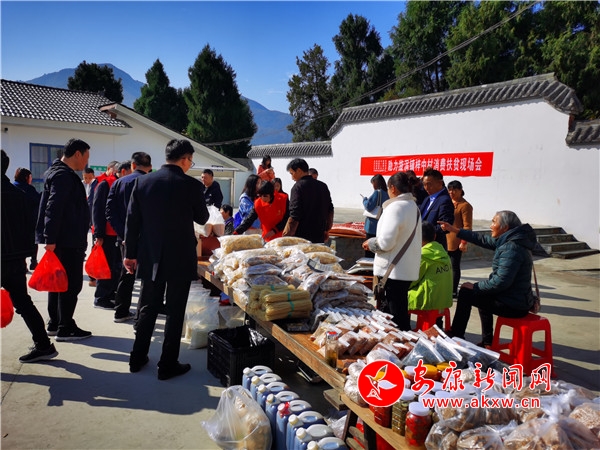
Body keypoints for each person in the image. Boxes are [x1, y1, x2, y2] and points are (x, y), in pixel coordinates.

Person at [124, 139, 209, 379]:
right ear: (185, 159)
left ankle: (137, 357)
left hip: (150, 254)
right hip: (180, 255)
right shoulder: (192, 186)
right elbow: (202, 218)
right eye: (191, 160)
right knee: (175, 309)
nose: (190, 164)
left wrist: (129, 254)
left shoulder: (143, 182)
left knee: (148, 306)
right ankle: (167, 364)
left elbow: (132, 221)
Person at [439, 211, 536, 347]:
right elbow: (482, 239)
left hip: (513, 304)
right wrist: (454, 230)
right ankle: (487, 342)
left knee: (467, 293)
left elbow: (501, 282)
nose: (491, 226)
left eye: (494, 222)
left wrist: (475, 286)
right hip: (514, 298)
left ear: (505, 227)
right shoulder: (510, 240)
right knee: (482, 293)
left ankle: (457, 334)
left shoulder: (511, 248)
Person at [2, 150, 58, 362]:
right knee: (24, 303)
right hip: (15, 259)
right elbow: (31, 226)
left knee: (23, 303)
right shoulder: (20, 195)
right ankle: (43, 344)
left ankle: (43, 345)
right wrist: (26, 254)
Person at [36, 138, 92, 341]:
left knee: (57, 282)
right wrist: (50, 238)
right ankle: (65, 327)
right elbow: (54, 207)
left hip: (63, 239)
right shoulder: (63, 176)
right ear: (77, 154)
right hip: (68, 240)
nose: (86, 162)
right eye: (86, 157)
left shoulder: (55, 172)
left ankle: (55, 322)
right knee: (71, 284)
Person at [362, 172, 421, 330]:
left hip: (393, 270)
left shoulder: (395, 207)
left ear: (393, 188)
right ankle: (401, 340)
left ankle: (400, 342)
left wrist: (370, 243)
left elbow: (386, 242)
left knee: (395, 318)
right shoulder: (413, 206)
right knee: (400, 311)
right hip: (405, 269)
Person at [106, 152, 152, 323]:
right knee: (146, 278)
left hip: (124, 237)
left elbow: (109, 211)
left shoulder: (118, 183)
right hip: (145, 237)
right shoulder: (150, 182)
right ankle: (141, 316)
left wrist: (123, 233)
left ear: (132, 165)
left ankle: (121, 311)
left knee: (126, 275)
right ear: (150, 167)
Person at [91, 161, 131, 310]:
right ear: (123, 171)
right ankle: (101, 297)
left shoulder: (119, 183)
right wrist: (98, 234)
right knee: (106, 266)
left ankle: (110, 294)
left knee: (116, 267)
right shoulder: (105, 184)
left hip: (117, 233)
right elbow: (97, 210)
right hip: (106, 234)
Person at [283, 159, 333, 244]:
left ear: (299, 171)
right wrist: (326, 229)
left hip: (301, 238)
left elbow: (295, 213)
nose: (292, 178)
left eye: (292, 173)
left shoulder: (298, 187)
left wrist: (287, 236)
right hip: (319, 235)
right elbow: (330, 209)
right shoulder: (323, 186)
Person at [408, 221, 453, 314]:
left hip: (428, 301)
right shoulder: (443, 252)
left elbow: (412, 280)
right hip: (445, 300)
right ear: (435, 236)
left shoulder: (423, 255)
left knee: (395, 295)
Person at [446, 180, 473, 297]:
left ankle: (453, 291)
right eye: (450, 190)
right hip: (444, 239)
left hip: (455, 241)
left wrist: (463, 242)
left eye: (454, 190)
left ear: (460, 190)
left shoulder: (465, 206)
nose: (451, 192)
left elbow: (467, 226)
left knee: (454, 266)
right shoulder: (447, 202)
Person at [419, 167, 454, 250]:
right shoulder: (427, 198)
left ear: (440, 183)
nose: (426, 187)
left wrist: (425, 232)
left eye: (429, 184)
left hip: (434, 247)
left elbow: (445, 226)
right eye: (424, 184)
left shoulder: (444, 200)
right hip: (421, 245)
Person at [13, 167, 41, 270]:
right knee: (33, 242)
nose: (31, 179)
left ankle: (23, 263)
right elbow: (37, 201)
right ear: (26, 177)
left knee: (18, 243)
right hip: (29, 221)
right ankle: (33, 262)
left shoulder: (12, 187)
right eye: (30, 177)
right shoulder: (29, 189)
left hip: (15, 222)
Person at [362, 174, 389, 258]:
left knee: (369, 250)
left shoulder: (377, 192)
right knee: (376, 251)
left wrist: (364, 200)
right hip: (381, 225)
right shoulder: (387, 193)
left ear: (375, 183)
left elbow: (369, 206)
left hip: (372, 226)